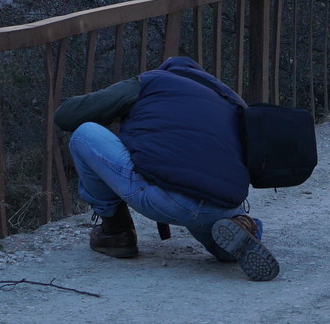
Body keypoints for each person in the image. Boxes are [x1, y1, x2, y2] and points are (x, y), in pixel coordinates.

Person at [52, 55, 280, 282]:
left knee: (85, 134)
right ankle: (243, 226)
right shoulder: (230, 101)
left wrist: (118, 109)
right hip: (222, 202)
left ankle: (116, 232)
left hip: (167, 197)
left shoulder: (152, 82)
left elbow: (66, 116)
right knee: (221, 237)